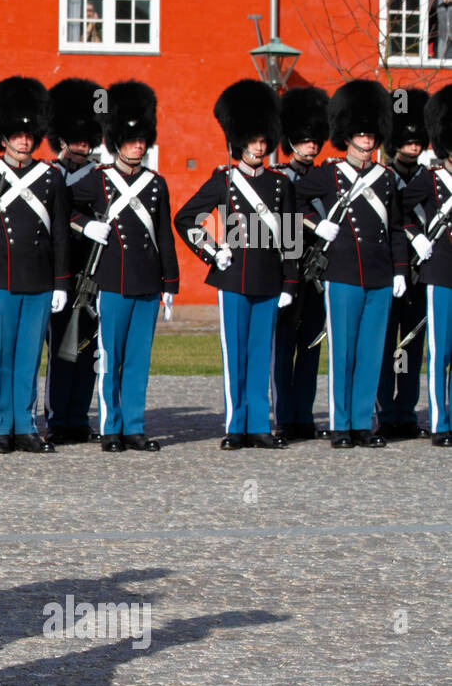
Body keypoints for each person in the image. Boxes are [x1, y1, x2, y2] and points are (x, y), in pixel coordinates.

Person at [174, 79, 296, 450]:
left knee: (262, 355)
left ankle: (259, 424)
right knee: (235, 356)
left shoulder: (280, 184)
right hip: (233, 277)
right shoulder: (224, 182)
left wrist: (290, 285)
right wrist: (211, 250)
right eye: (253, 139)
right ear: (240, 140)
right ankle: (235, 425)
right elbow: (186, 218)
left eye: (264, 140)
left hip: (269, 280)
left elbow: (290, 240)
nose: (259, 146)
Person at [0, 76, 70, 455]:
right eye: (17, 134)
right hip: (0, 277)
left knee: (29, 357)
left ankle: (26, 425)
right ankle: (0, 426)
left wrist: (61, 283)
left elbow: (60, 233)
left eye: (29, 134)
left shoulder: (51, 177)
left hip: (39, 279)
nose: (24, 140)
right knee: (0, 356)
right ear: (4, 136)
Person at [297, 79, 409, 449]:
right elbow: (287, 201)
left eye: (371, 135)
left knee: (371, 352)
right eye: (360, 135)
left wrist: (399, 270)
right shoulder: (328, 175)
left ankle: (363, 423)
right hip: (342, 273)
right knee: (342, 351)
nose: (366, 142)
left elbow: (394, 228)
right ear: (347, 137)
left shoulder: (387, 179)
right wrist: (316, 225)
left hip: (378, 274)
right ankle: (340, 424)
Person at [69, 80, 179, 452]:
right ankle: (110, 427)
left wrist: (170, 282)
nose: (138, 145)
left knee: (137, 361)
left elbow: (164, 233)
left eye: (142, 140)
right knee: (111, 357)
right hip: (112, 282)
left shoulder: (155, 184)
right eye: (132, 140)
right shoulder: (97, 181)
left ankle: (134, 426)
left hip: (146, 282)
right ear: (117, 142)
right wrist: (86, 226)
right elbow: (61, 205)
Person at [45, 77, 104, 445]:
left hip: (92, 272)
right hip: (56, 272)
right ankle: (56, 416)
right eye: (76, 140)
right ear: (62, 140)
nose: (81, 146)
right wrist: (84, 225)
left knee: (87, 349)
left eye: (87, 140)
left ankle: (79, 416)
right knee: (58, 348)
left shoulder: (100, 176)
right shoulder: (49, 175)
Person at [270, 86, 330, 441]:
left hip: (317, 276)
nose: (311, 146)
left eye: (315, 140)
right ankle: (283, 415)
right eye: (305, 140)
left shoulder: (326, 179)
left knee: (310, 346)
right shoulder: (280, 180)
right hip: (287, 274)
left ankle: (304, 416)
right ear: (291, 140)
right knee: (283, 349)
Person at [376, 88, 432, 440]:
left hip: (422, 273)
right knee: (385, 345)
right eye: (407, 140)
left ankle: (406, 409)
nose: (413, 146)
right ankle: (384, 407)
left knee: (411, 344)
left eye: (418, 140)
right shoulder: (384, 178)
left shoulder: (430, 178)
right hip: (389, 270)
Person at [412, 87, 452, 446]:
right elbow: (400, 210)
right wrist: (417, 237)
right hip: (440, 272)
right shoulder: (430, 180)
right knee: (440, 351)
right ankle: (441, 422)